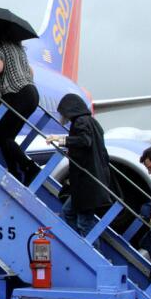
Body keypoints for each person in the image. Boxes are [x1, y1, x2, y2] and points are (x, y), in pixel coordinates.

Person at [0, 23, 40, 184]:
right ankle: (15, 172)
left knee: (1, 136)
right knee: (8, 138)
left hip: (16, 93)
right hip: (31, 93)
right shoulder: (19, 48)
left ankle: (30, 167)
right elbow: (31, 71)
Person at [55, 94, 113, 237]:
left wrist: (61, 140)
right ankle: (77, 244)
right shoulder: (93, 123)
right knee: (68, 212)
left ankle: (92, 254)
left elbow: (84, 140)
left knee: (84, 223)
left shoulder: (80, 121)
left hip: (87, 184)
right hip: (91, 182)